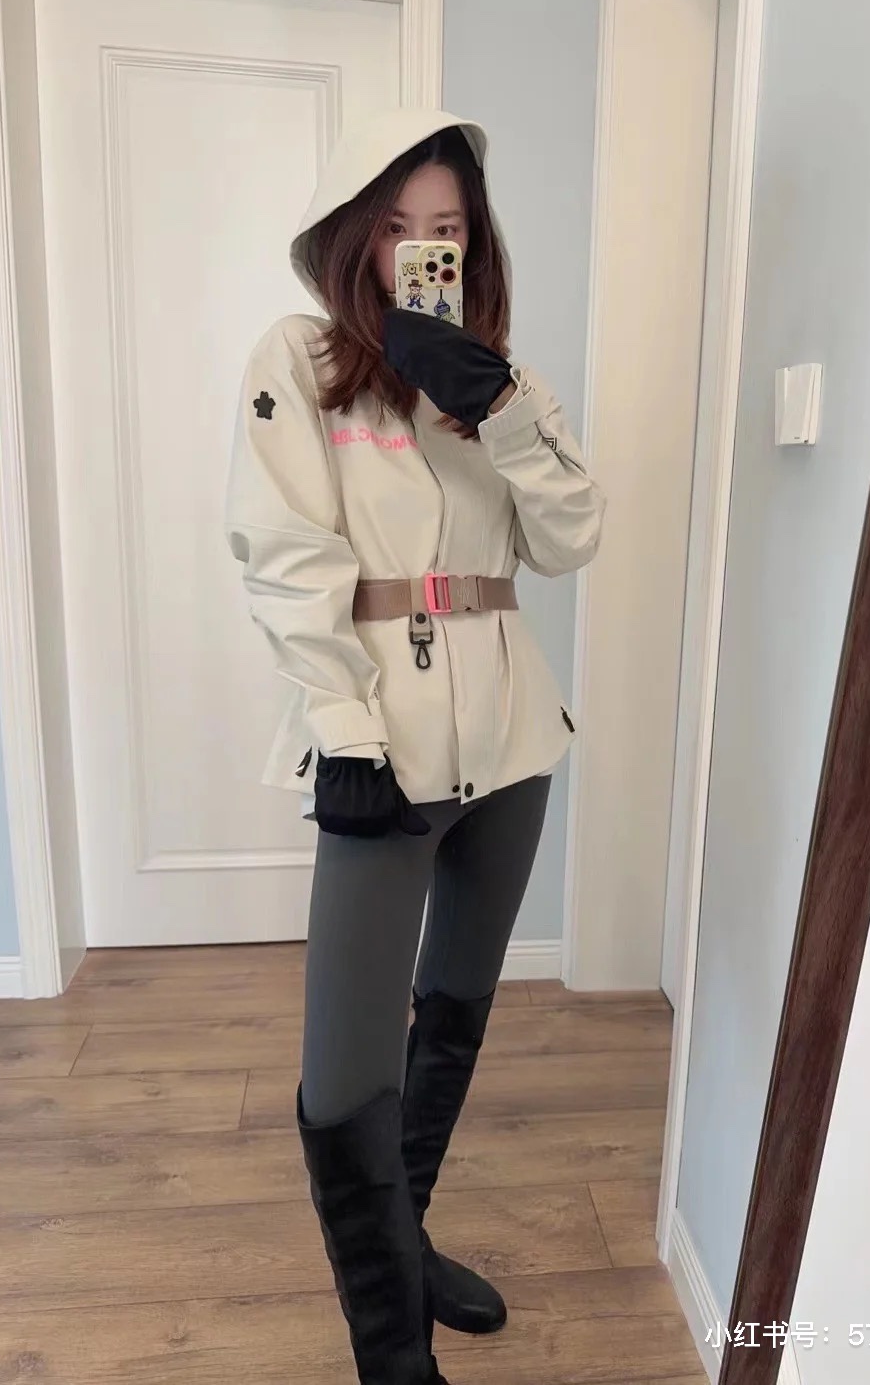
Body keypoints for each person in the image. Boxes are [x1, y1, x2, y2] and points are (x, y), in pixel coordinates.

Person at [225, 109, 605, 1385]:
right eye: (396, 227)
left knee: (453, 1013)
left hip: (511, 739)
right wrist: (340, 727)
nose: (421, 250)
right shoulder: (300, 359)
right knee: (343, 1078)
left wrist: (496, 408)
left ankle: (409, 1239)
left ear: (471, 244)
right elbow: (284, 556)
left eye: (445, 228)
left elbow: (569, 539)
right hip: (379, 748)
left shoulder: (499, 382)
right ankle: (393, 1360)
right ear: (353, 237)